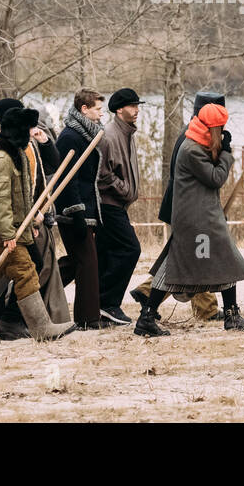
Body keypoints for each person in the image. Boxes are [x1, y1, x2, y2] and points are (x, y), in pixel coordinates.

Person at [135, 103, 244, 336]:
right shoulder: (191, 149)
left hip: (202, 215)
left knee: (217, 262)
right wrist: (226, 153)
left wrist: (220, 148)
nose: (222, 132)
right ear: (212, 128)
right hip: (197, 219)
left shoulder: (196, 142)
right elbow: (216, 177)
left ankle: (230, 314)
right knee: (189, 266)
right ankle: (147, 317)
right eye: (220, 128)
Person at [0, 106, 75, 344]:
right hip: (1, 236)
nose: (32, 133)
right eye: (28, 129)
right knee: (26, 272)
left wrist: (30, 219)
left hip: (1, 234)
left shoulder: (15, 155)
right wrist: (8, 234)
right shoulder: (2, 160)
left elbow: (20, 199)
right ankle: (40, 328)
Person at [130, 91, 228, 322]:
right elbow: (209, 174)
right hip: (187, 208)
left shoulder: (194, 131)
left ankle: (147, 291)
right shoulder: (192, 138)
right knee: (197, 255)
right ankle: (206, 309)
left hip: (186, 206)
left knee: (190, 254)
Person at [54, 89, 105, 330]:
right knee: (87, 262)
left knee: (76, 263)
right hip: (73, 210)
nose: (101, 113)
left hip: (86, 207)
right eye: (97, 108)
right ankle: (87, 318)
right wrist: (76, 213)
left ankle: (31, 291)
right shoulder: (70, 137)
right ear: (84, 109)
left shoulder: (86, 135)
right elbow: (67, 179)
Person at [95, 87, 142, 325]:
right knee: (131, 249)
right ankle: (109, 303)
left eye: (137, 106)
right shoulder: (110, 135)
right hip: (109, 204)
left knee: (105, 254)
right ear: (119, 109)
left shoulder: (127, 133)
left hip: (118, 205)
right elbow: (102, 174)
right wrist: (124, 189)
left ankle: (99, 307)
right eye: (132, 106)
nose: (136, 110)